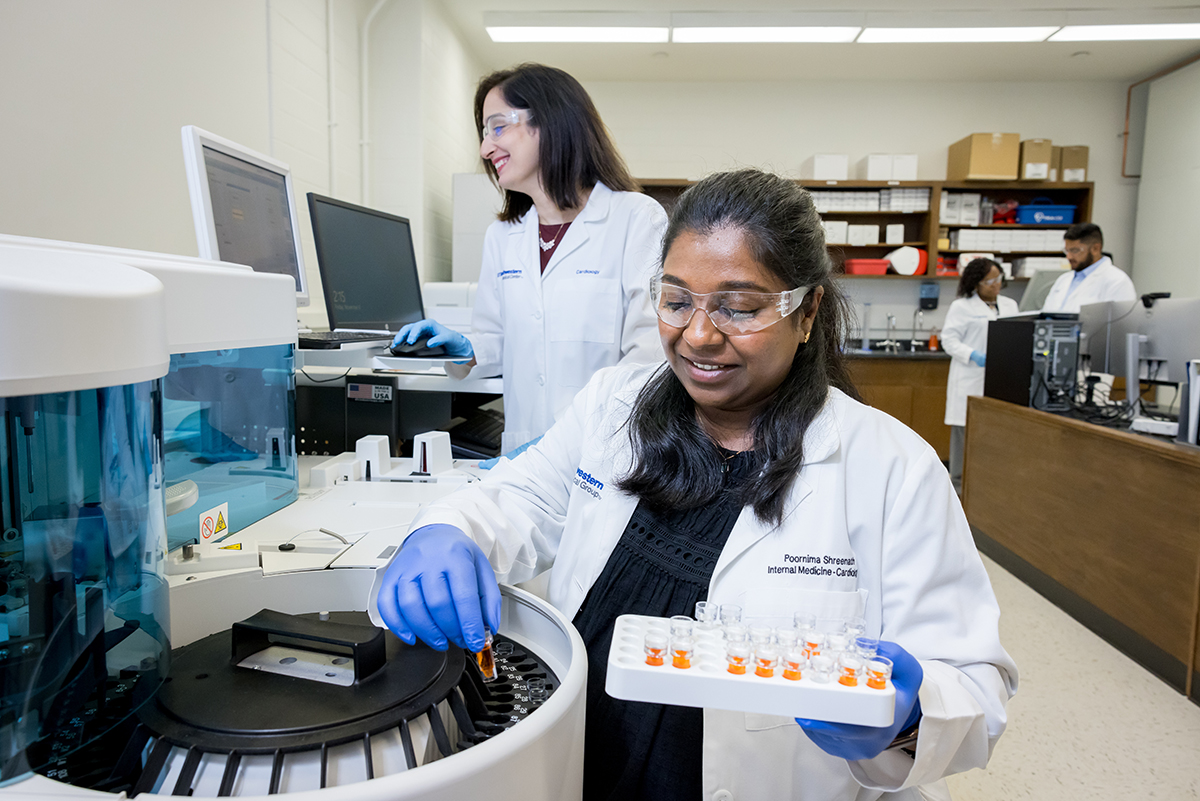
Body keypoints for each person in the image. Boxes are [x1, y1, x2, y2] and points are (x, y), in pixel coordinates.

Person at [375, 169, 1017, 801]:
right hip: (581, 767)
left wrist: (906, 715)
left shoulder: (892, 467)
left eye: (739, 308)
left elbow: (973, 690)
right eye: (676, 300)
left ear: (807, 311)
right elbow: (520, 495)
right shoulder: (612, 406)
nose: (700, 336)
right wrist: (445, 530)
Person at [393, 63, 667, 457]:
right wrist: (461, 347)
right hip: (523, 455)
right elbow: (498, 341)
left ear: (552, 122)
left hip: (605, 453)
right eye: (485, 133)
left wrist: (567, 442)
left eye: (498, 127)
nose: (486, 148)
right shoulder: (503, 237)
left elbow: (650, 356)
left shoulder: (636, 219)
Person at [940, 258, 1019, 494]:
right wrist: (973, 355)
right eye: (989, 281)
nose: (996, 285)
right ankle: (959, 487)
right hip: (970, 377)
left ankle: (989, 487)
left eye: (998, 279)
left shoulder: (1010, 305)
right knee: (965, 435)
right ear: (976, 284)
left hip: (1002, 377)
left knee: (995, 433)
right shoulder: (962, 307)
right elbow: (949, 340)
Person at [1041, 222, 1135, 313]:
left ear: (1095, 249)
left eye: (1075, 250)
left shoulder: (1117, 281)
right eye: (1067, 251)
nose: (1069, 257)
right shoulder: (1063, 280)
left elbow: (1121, 325)